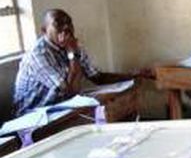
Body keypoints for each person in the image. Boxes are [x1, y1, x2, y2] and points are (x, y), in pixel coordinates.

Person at [13, 9, 142, 116]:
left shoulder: (73, 47)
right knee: (90, 114)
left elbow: (97, 77)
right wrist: (72, 55)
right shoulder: (38, 55)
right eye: (58, 24)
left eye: (68, 23)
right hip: (34, 114)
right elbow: (68, 91)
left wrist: (133, 75)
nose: (65, 28)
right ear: (44, 30)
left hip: (59, 106)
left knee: (117, 99)